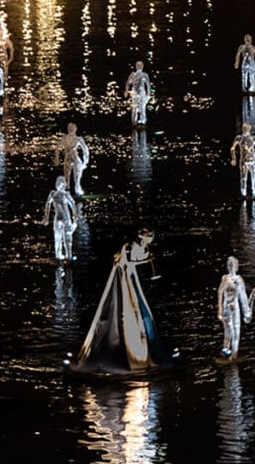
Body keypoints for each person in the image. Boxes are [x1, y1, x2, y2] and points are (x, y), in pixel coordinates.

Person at [69, 230, 174, 375]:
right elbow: (128, 261)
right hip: (123, 274)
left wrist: (146, 257)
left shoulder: (142, 246)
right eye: (146, 240)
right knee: (125, 305)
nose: (146, 244)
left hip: (131, 275)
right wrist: (146, 260)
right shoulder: (130, 245)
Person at [216, 256, 251, 358]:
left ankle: (228, 351)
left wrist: (220, 310)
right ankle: (232, 353)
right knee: (234, 330)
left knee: (229, 330)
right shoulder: (234, 279)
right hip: (232, 307)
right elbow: (243, 298)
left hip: (228, 306)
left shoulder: (228, 278)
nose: (237, 266)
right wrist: (247, 313)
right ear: (233, 266)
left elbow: (220, 292)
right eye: (236, 264)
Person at [41, 176, 79, 262]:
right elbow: (73, 205)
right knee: (67, 239)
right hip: (66, 218)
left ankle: (59, 256)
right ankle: (68, 257)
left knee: (58, 238)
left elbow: (48, 204)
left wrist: (46, 218)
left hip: (58, 218)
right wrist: (75, 220)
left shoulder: (53, 194)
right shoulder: (65, 194)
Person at [231, 122, 255, 200]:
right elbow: (232, 148)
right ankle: (243, 194)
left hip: (253, 161)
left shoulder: (254, 138)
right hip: (244, 161)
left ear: (249, 129)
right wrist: (234, 159)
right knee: (243, 178)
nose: (245, 130)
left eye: (246, 128)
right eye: (244, 128)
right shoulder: (239, 138)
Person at [54, 122, 91, 196]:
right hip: (68, 158)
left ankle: (77, 191)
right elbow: (57, 148)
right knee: (67, 176)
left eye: (72, 128)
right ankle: (68, 191)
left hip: (75, 158)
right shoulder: (64, 138)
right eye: (69, 128)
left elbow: (85, 150)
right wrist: (57, 158)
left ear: (75, 129)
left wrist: (85, 161)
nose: (71, 129)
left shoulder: (78, 139)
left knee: (76, 177)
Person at [125, 60, 153, 127]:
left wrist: (149, 94)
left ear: (142, 66)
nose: (139, 66)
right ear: (136, 66)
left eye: (140, 65)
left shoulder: (145, 75)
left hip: (142, 93)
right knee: (134, 107)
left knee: (142, 107)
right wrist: (126, 91)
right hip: (135, 93)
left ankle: (142, 122)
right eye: (138, 65)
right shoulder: (132, 74)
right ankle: (134, 122)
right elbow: (128, 83)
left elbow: (148, 85)